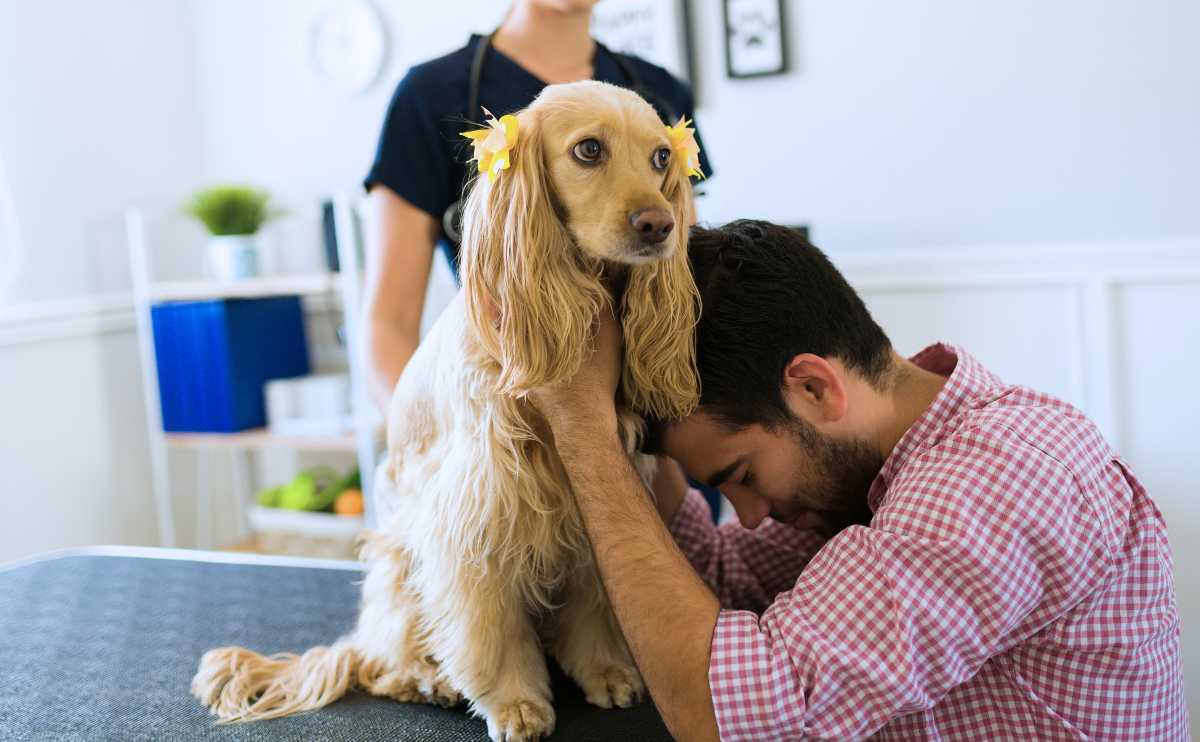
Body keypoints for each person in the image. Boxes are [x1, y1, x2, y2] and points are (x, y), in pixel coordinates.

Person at [530, 220, 1189, 740]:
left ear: (814, 387)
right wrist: (625, 432)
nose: (751, 516)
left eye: (744, 476)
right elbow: (719, 579)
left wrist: (583, 432)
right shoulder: (877, 474)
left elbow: (719, 714)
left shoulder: (993, 477)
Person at [362, 0, 714, 412]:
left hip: (635, 405)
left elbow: (682, 274)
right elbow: (389, 323)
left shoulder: (659, 91)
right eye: (589, 151)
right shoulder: (431, 95)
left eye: (659, 159)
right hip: (504, 395)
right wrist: (420, 445)